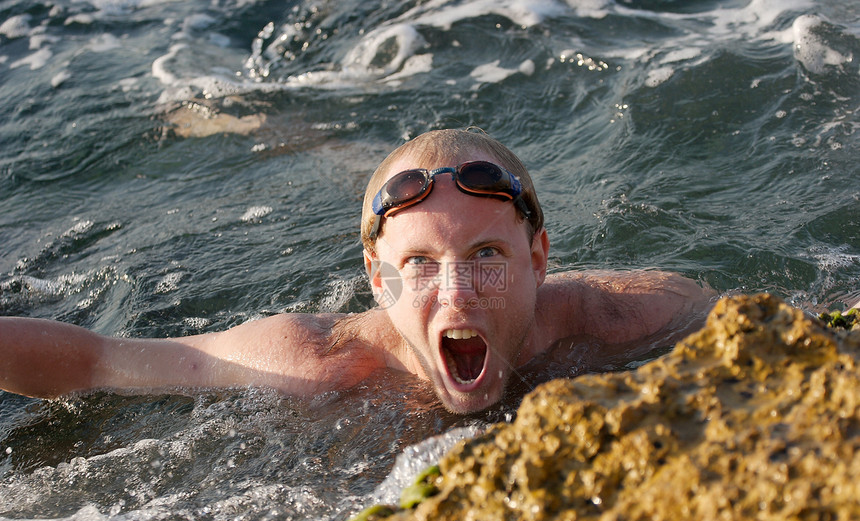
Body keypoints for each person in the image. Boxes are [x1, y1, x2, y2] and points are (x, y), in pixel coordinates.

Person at [0, 129, 714, 414]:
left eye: (487, 256)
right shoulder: (315, 360)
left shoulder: (627, 316)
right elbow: (98, 358)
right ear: (378, 278)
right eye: (421, 264)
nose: (457, 292)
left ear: (538, 259)